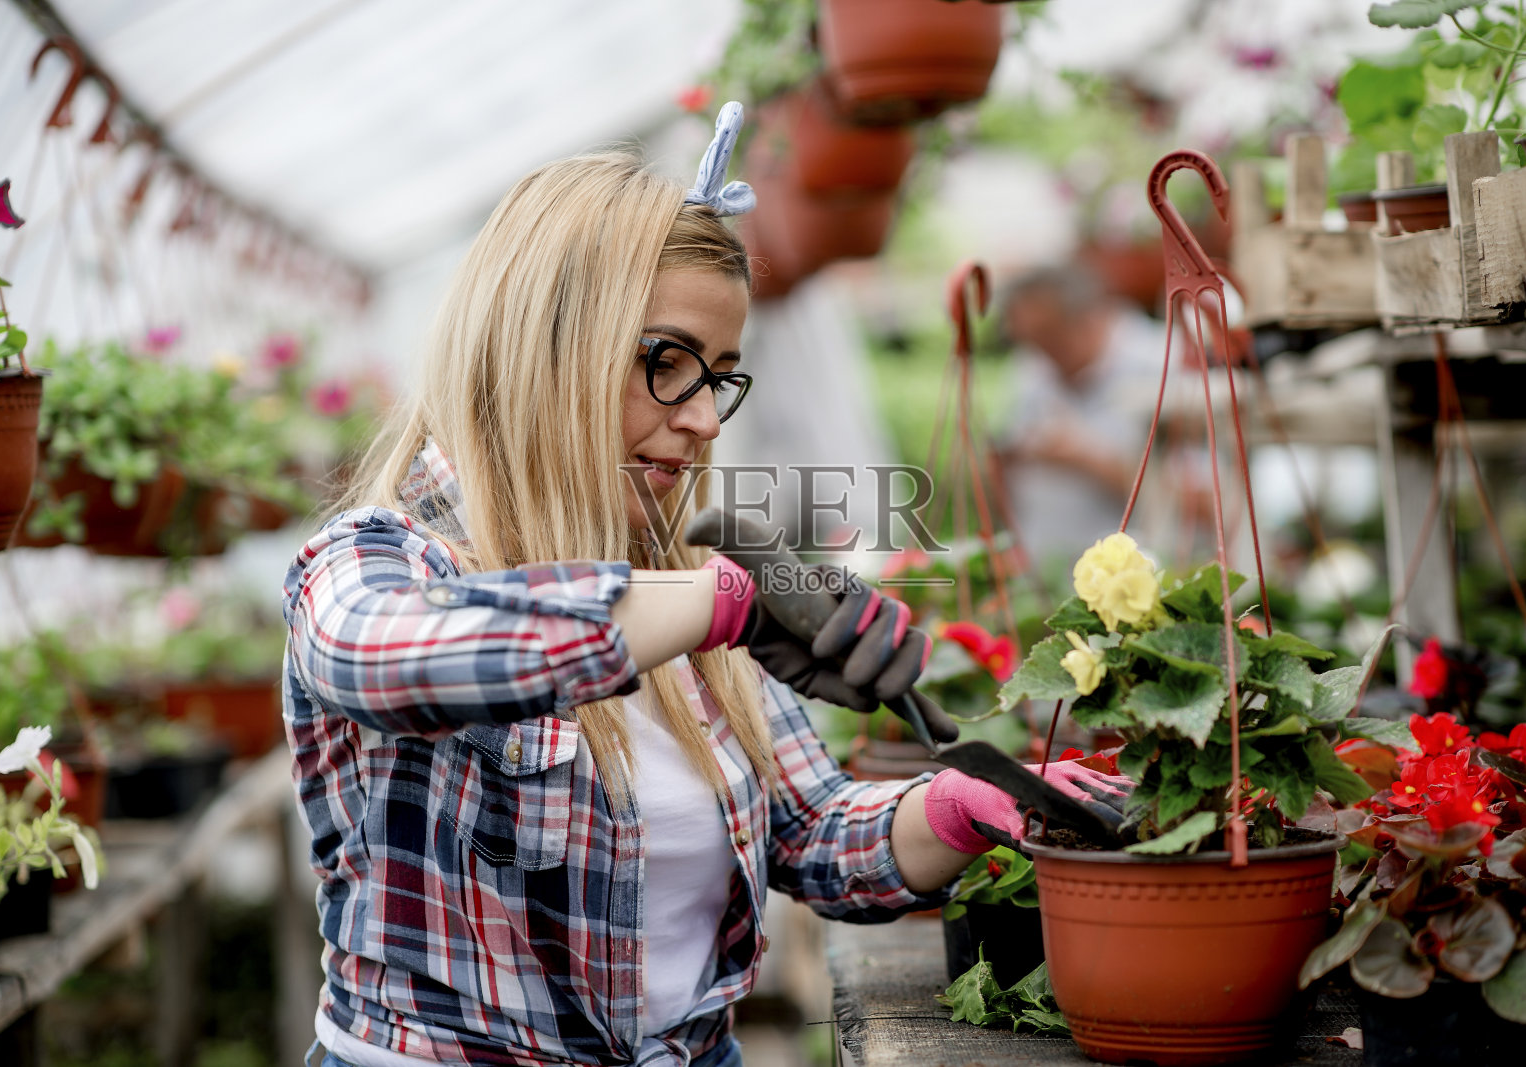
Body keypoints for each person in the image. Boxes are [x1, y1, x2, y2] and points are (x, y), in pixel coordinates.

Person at [282, 105, 1127, 1067]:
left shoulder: (677, 577)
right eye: (667, 362)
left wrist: (950, 808)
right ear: (541, 347)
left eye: (719, 376)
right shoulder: (378, 560)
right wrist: (721, 602)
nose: (705, 420)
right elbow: (381, 656)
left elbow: (807, 833)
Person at [996, 266, 1165, 562]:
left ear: (1089, 318)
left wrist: (1088, 459)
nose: (1039, 352)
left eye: (1048, 337)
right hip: (1046, 576)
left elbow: (1203, 503)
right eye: (1028, 339)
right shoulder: (1031, 368)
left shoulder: (1160, 362)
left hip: (1141, 583)